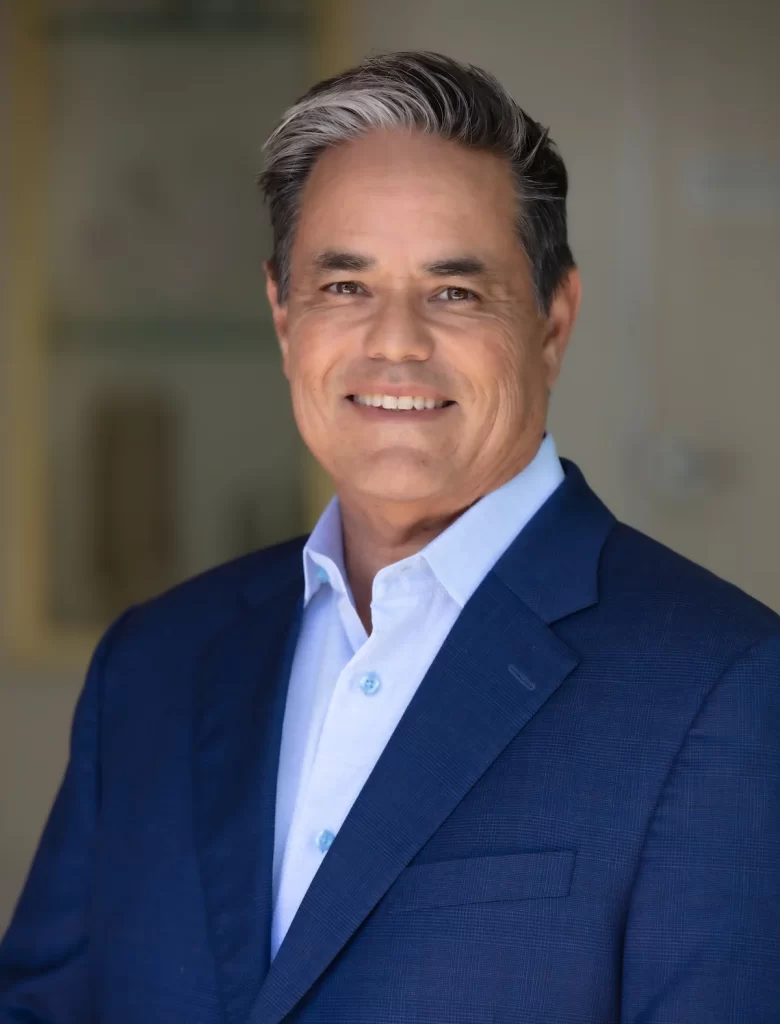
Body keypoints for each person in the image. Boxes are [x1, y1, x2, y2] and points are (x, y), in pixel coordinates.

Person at [1, 50, 778, 1024]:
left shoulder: (727, 687)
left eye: (455, 291)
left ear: (553, 320)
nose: (396, 341)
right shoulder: (151, 664)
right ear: (284, 316)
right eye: (345, 286)